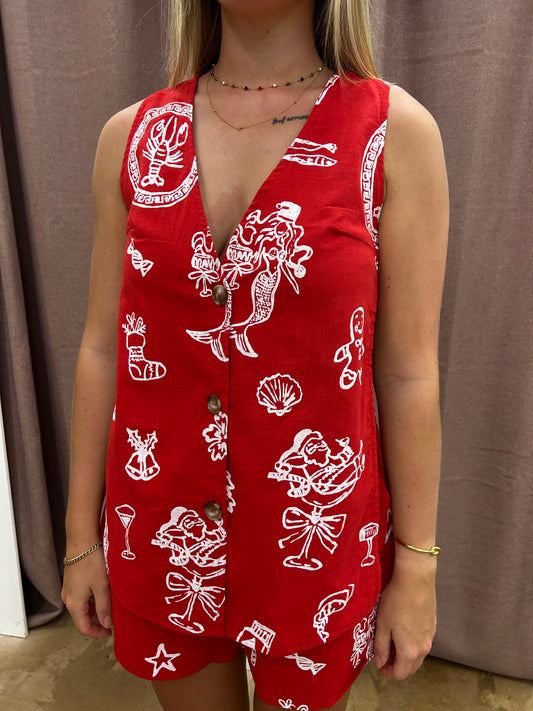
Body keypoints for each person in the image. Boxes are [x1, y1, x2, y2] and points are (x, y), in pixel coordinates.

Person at [61, 0, 449, 709]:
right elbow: (101, 348)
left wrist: (417, 567)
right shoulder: (132, 137)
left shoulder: (393, 134)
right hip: (162, 535)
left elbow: (407, 373)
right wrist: (80, 538)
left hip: (315, 546)